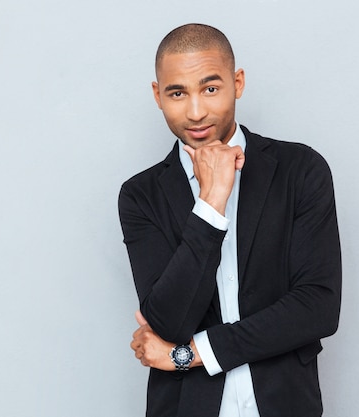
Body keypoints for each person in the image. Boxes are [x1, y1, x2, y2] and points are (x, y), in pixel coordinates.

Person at [118, 23, 341, 417]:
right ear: (158, 95)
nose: (196, 111)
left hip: (286, 404)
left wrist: (190, 354)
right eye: (177, 93)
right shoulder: (140, 196)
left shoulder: (301, 170)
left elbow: (316, 308)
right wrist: (211, 202)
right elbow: (168, 321)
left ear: (237, 82)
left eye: (210, 88)